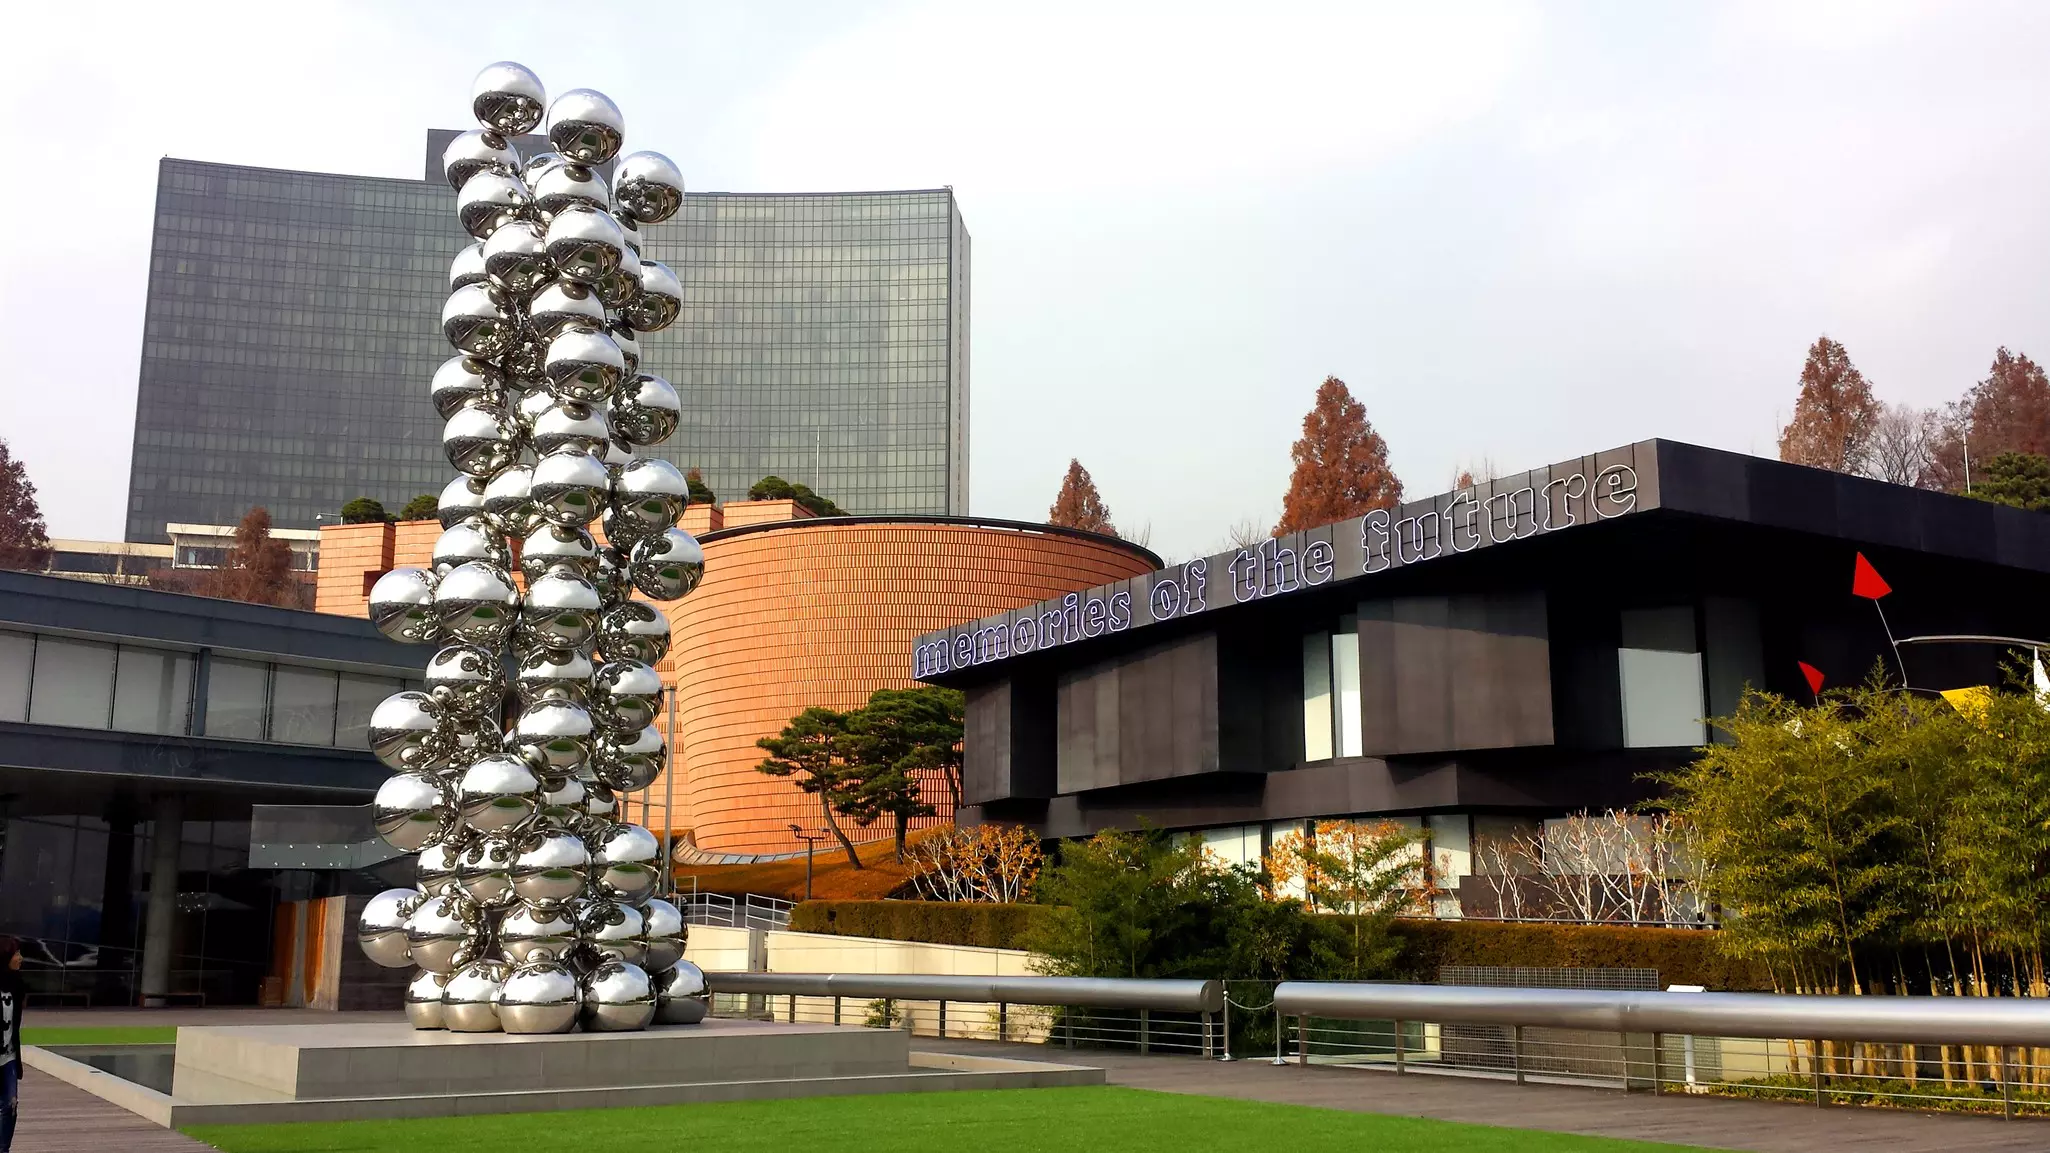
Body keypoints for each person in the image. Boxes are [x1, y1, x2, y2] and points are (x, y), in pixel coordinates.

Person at [0, 935, 21, 1153]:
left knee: (10, 1106)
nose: (20, 958)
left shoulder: (17, 984)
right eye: (16, 954)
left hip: (9, 1058)